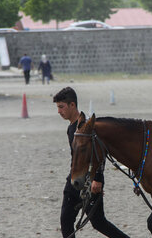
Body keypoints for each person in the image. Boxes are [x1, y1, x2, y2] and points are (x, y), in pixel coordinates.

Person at [53, 87, 130, 238]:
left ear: (72, 105)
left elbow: (99, 155)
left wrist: (98, 179)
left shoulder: (86, 127)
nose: (59, 111)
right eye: (57, 108)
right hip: (75, 179)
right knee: (66, 222)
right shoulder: (72, 128)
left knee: (99, 222)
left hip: (90, 182)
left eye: (61, 107)